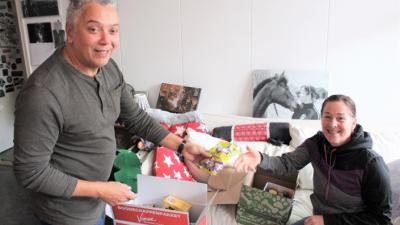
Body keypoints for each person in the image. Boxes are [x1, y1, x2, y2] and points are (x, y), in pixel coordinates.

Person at [13, 1, 209, 225]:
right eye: (94, 29)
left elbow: (136, 118)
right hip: (66, 215)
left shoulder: (109, 68)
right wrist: (100, 190)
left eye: (113, 30)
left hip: (97, 203)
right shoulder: (43, 92)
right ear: (70, 32)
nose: (107, 40)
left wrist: (183, 147)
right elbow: (30, 172)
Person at [235, 94, 393, 225]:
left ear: (353, 122)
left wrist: (327, 221)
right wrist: (260, 158)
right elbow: (287, 164)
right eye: (327, 116)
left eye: (340, 118)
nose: (333, 124)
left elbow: (381, 219)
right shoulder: (316, 144)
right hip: (318, 220)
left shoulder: (371, 163)